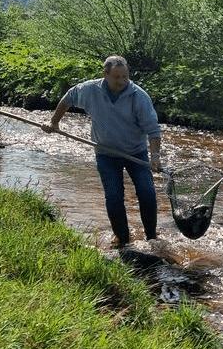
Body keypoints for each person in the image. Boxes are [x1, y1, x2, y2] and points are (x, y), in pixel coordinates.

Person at [43, 56, 162, 248]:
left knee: (147, 192)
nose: (122, 81)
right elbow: (68, 98)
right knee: (114, 196)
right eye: (117, 77)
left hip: (135, 153)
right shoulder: (90, 90)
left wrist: (155, 157)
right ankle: (123, 240)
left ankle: (152, 238)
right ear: (105, 75)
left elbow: (153, 130)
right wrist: (54, 122)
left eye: (125, 76)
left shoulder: (138, 96)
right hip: (106, 153)